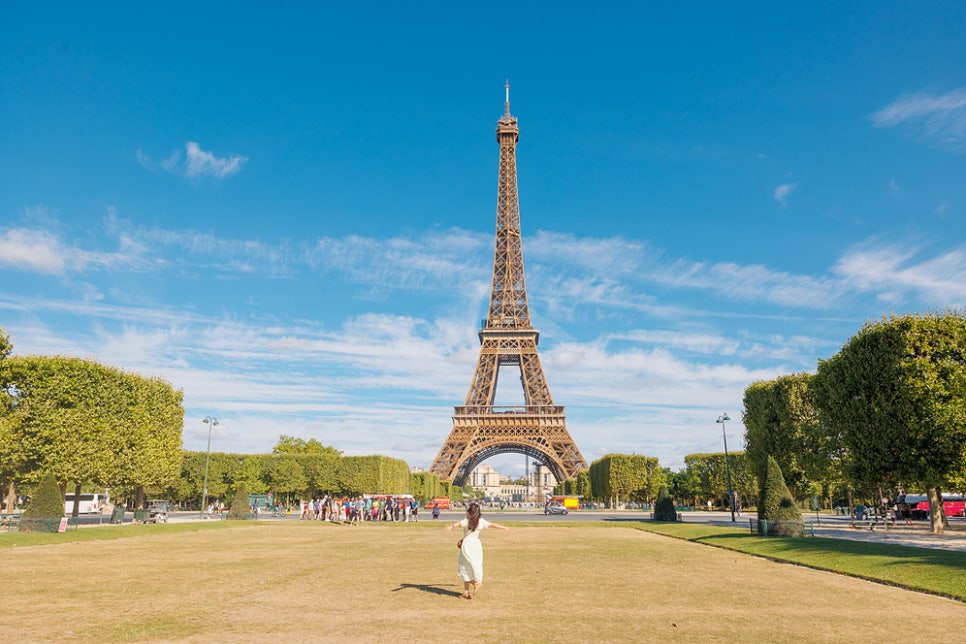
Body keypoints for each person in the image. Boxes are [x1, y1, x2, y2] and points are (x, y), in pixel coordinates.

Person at [445, 502, 511, 600]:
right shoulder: (481, 521)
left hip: (467, 545)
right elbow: (492, 524)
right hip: (476, 546)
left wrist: (451, 527)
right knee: (474, 565)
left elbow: (458, 524)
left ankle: (476, 583)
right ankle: (466, 593)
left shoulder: (467, 520)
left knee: (464, 567)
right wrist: (504, 527)